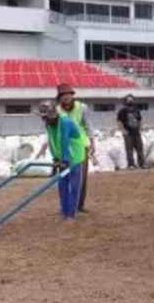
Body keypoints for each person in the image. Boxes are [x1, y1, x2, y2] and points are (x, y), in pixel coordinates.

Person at [37, 101, 85, 220]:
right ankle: (64, 211)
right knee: (62, 185)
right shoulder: (49, 124)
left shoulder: (65, 122)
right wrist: (55, 158)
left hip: (75, 156)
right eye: (44, 118)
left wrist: (64, 159)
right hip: (62, 157)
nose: (45, 120)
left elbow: (65, 141)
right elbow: (52, 141)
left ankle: (71, 214)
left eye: (47, 117)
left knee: (73, 186)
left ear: (53, 114)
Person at [55, 83, 94, 213]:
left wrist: (92, 142)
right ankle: (65, 205)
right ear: (59, 98)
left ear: (72, 96)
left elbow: (88, 125)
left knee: (80, 178)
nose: (66, 97)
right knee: (64, 178)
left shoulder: (82, 108)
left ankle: (79, 205)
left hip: (80, 147)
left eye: (68, 94)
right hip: (63, 148)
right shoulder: (57, 111)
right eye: (63, 95)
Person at [117, 94, 145, 169]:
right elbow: (119, 122)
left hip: (137, 132)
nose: (130, 101)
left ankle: (142, 164)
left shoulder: (136, 110)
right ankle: (131, 165)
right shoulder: (122, 111)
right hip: (128, 133)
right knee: (129, 150)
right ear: (126, 101)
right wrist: (123, 131)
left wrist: (140, 128)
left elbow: (140, 119)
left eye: (131, 99)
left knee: (140, 148)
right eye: (128, 99)